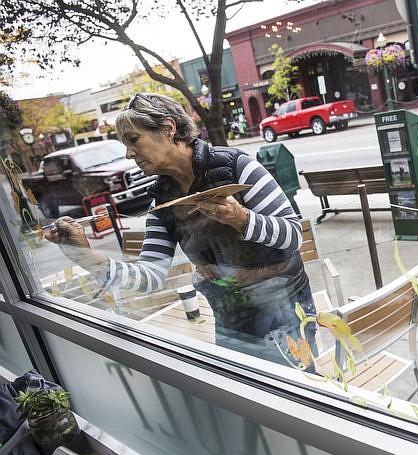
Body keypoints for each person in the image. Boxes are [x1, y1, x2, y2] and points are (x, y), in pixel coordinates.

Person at [45, 92, 317, 364]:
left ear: (167, 129)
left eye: (134, 140)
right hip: (231, 319)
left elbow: (293, 235)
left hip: (284, 312)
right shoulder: (162, 200)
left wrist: (242, 218)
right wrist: (85, 256)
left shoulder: (236, 167)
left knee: (298, 395)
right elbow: (149, 277)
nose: (129, 153)